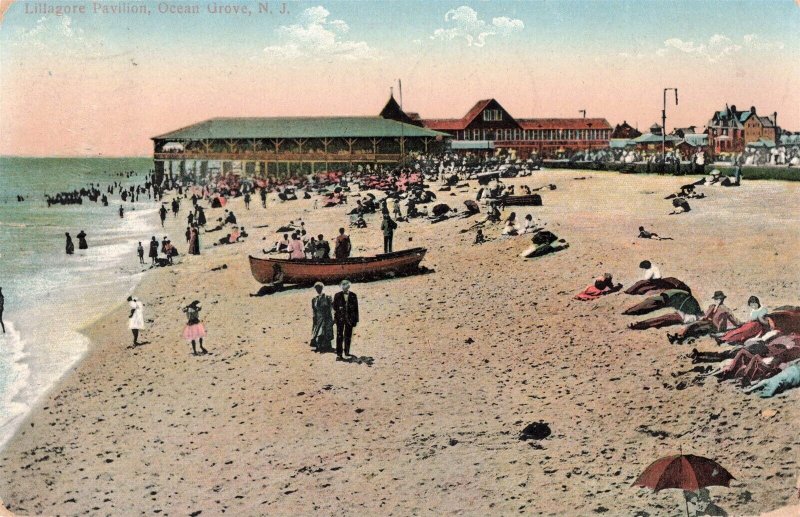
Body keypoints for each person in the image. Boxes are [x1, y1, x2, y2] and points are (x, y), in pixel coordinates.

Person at [668, 290, 740, 344]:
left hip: (716, 328)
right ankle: (678, 337)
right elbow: (705, 316)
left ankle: (680, 339)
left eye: (719, 299)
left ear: (722, 299)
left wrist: (740, 324)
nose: (717, 300)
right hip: (709, 324)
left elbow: (733, 319)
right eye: (716, 299)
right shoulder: (712, 306)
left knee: (695, 328)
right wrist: (700, 320)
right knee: (692, 325)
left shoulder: (725, 309)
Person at [627, 289, 703, 330]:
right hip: (684, 315)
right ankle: (640, 324)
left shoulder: (690, 303)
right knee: (661, 319)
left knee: (662, 319)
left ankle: (640, 325)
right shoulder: (690, 302)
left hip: (685, 317)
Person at [333, 280, 359, 360]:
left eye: (346, 285)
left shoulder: (353, 295)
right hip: (340, 318)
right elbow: (334, 306)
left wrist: (355, 320)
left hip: (350, 319)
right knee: (339, 336)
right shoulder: (337, 295)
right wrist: (338, 310)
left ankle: (347, 352)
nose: (344, 287)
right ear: (341, 286)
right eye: (343, 285)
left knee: (348, 336)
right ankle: (339, 354)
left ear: (349, 286)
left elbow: (356, 309)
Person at [310, 282, 334, 352]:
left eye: (319, 288)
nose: (318, 290)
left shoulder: (328, 297)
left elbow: (332, 307)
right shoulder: (314, 299)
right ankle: (320, 346)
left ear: (322, 288)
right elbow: (314, 310)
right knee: (318, 331)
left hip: (326, 317)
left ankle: (326, 347)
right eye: (316, 288)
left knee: (326, 331)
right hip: (318, 317)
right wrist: (314, 318)